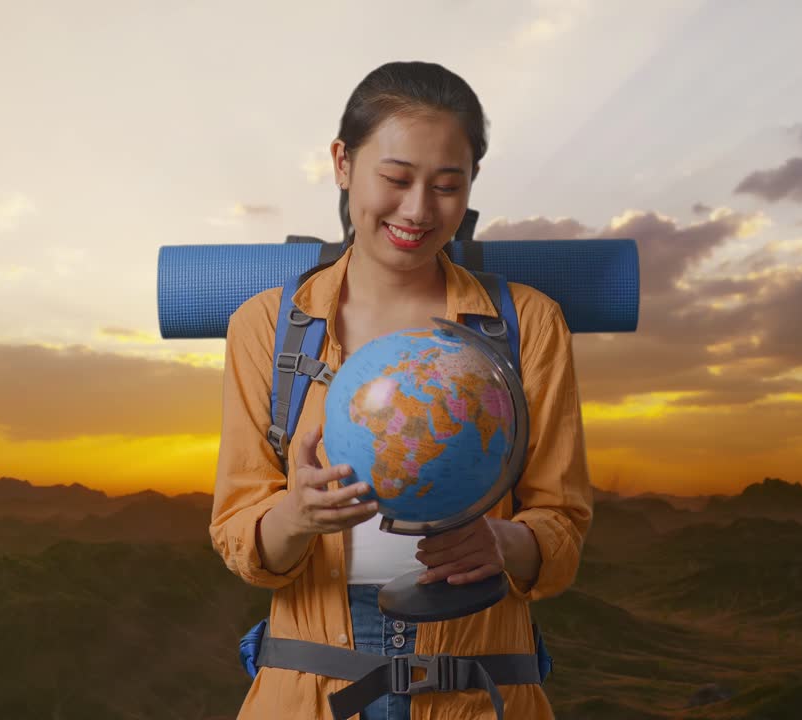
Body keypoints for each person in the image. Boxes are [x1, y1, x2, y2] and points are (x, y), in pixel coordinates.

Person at [210, 60, 592, 720]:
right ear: (342, 163)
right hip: (309, 692)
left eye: (448, 185)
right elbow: (240, 536)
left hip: (478, 689)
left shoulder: (527, 325)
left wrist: (505, 543)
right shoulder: (267, 329)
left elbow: (562, 529)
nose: (417, 210)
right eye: (395, 178)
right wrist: (298, 516)